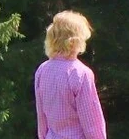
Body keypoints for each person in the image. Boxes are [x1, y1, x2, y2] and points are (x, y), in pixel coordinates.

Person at [34, 11, 107, 139]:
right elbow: (92, 123)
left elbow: (42, 118)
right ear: (75, 41)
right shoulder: (81, 73)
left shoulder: (42, 70)